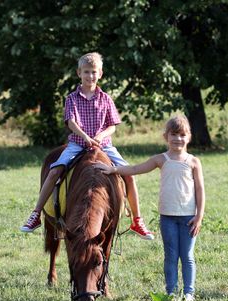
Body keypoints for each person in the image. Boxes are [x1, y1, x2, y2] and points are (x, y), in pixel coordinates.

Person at [20, 52, 154, 240]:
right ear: (79, 73)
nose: (90, 76)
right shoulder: (72, 98)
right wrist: (85, 137)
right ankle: (35, 214)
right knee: (53, 171)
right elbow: (71, 122)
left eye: (93, 72)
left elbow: (112, 126)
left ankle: (137, 220)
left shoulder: (106, 98)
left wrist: (100, 136)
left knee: (129, 174)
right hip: (78, 144)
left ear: (100, 74)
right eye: (86, 72)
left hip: (104, 146)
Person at [94, 115, 205, 301]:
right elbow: (136, 169)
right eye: (174, 134)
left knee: (187, 256)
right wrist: (114, 170)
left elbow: (200, 190)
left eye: (182, 135)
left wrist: (199, 216)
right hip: (167, 217)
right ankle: (171, 292)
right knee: (170, 255)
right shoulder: (161, 159)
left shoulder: (193, 162)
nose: (178, 139)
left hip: (189, 217)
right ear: (166, 137)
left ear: (189, 137)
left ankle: (188, 293)